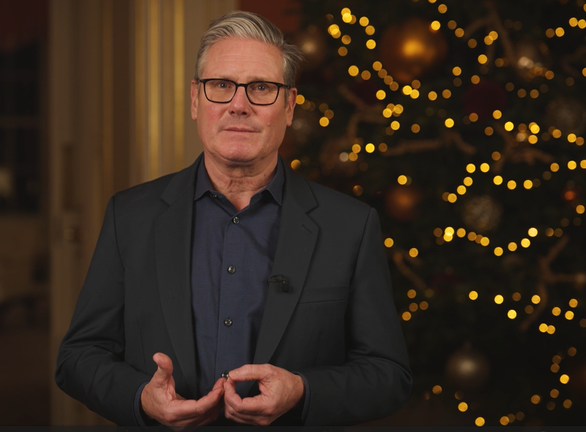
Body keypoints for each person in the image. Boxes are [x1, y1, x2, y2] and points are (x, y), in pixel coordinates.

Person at [55, 10, 412, 427]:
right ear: (195, 100)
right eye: (221, 86)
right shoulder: (130, 216)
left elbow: (389, 376)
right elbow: (77, 358)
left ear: (290, 105)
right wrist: (142, 399)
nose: (238, 105)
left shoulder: (350, 226)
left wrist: (302, 390)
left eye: (261, 87)